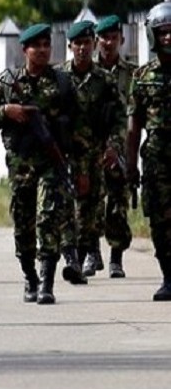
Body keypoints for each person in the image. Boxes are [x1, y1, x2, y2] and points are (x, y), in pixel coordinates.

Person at [0, 23, 83, 304]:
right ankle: (30, 277)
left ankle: (47, 283)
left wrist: (80, 167)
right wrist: (7, 111)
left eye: (46, 45)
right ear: (24, 49)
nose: (42, 50)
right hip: (21, 167)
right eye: (36, 45)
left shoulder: (63, 83)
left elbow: (78, 127)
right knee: (23, 224)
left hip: (52, 163)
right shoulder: (8, 83)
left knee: (47, 218)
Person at [61, 20, 126, 283]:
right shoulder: (59, 78)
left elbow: (120, 118)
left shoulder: (105, 80)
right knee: (68, 208)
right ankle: (72, 258)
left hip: (96, 154)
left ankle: (87, 253)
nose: (82, 48)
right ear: (70, 46)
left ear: (93, 44)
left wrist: (114, 146)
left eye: (87, 43)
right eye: (77, 44)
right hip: (67, 155)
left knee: (92, 209)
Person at [126, 2, 171, 301]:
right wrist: (131, 169)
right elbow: (133, 126)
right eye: (163, 32)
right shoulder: (141, 76)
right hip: (156, 159)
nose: (168, 38)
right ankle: (169, 276)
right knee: (160, 220)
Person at [93, 14, 137, 277]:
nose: (109, 43)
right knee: (90, 203)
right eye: (104, 38)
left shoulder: (132, 73)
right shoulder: (88, 71)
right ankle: (92, 252)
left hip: (119, 147)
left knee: (118, 204)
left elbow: (135, 114)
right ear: (97, 41)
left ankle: (116, 258)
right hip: (91, 147)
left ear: (121, 39)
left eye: (113, 38)